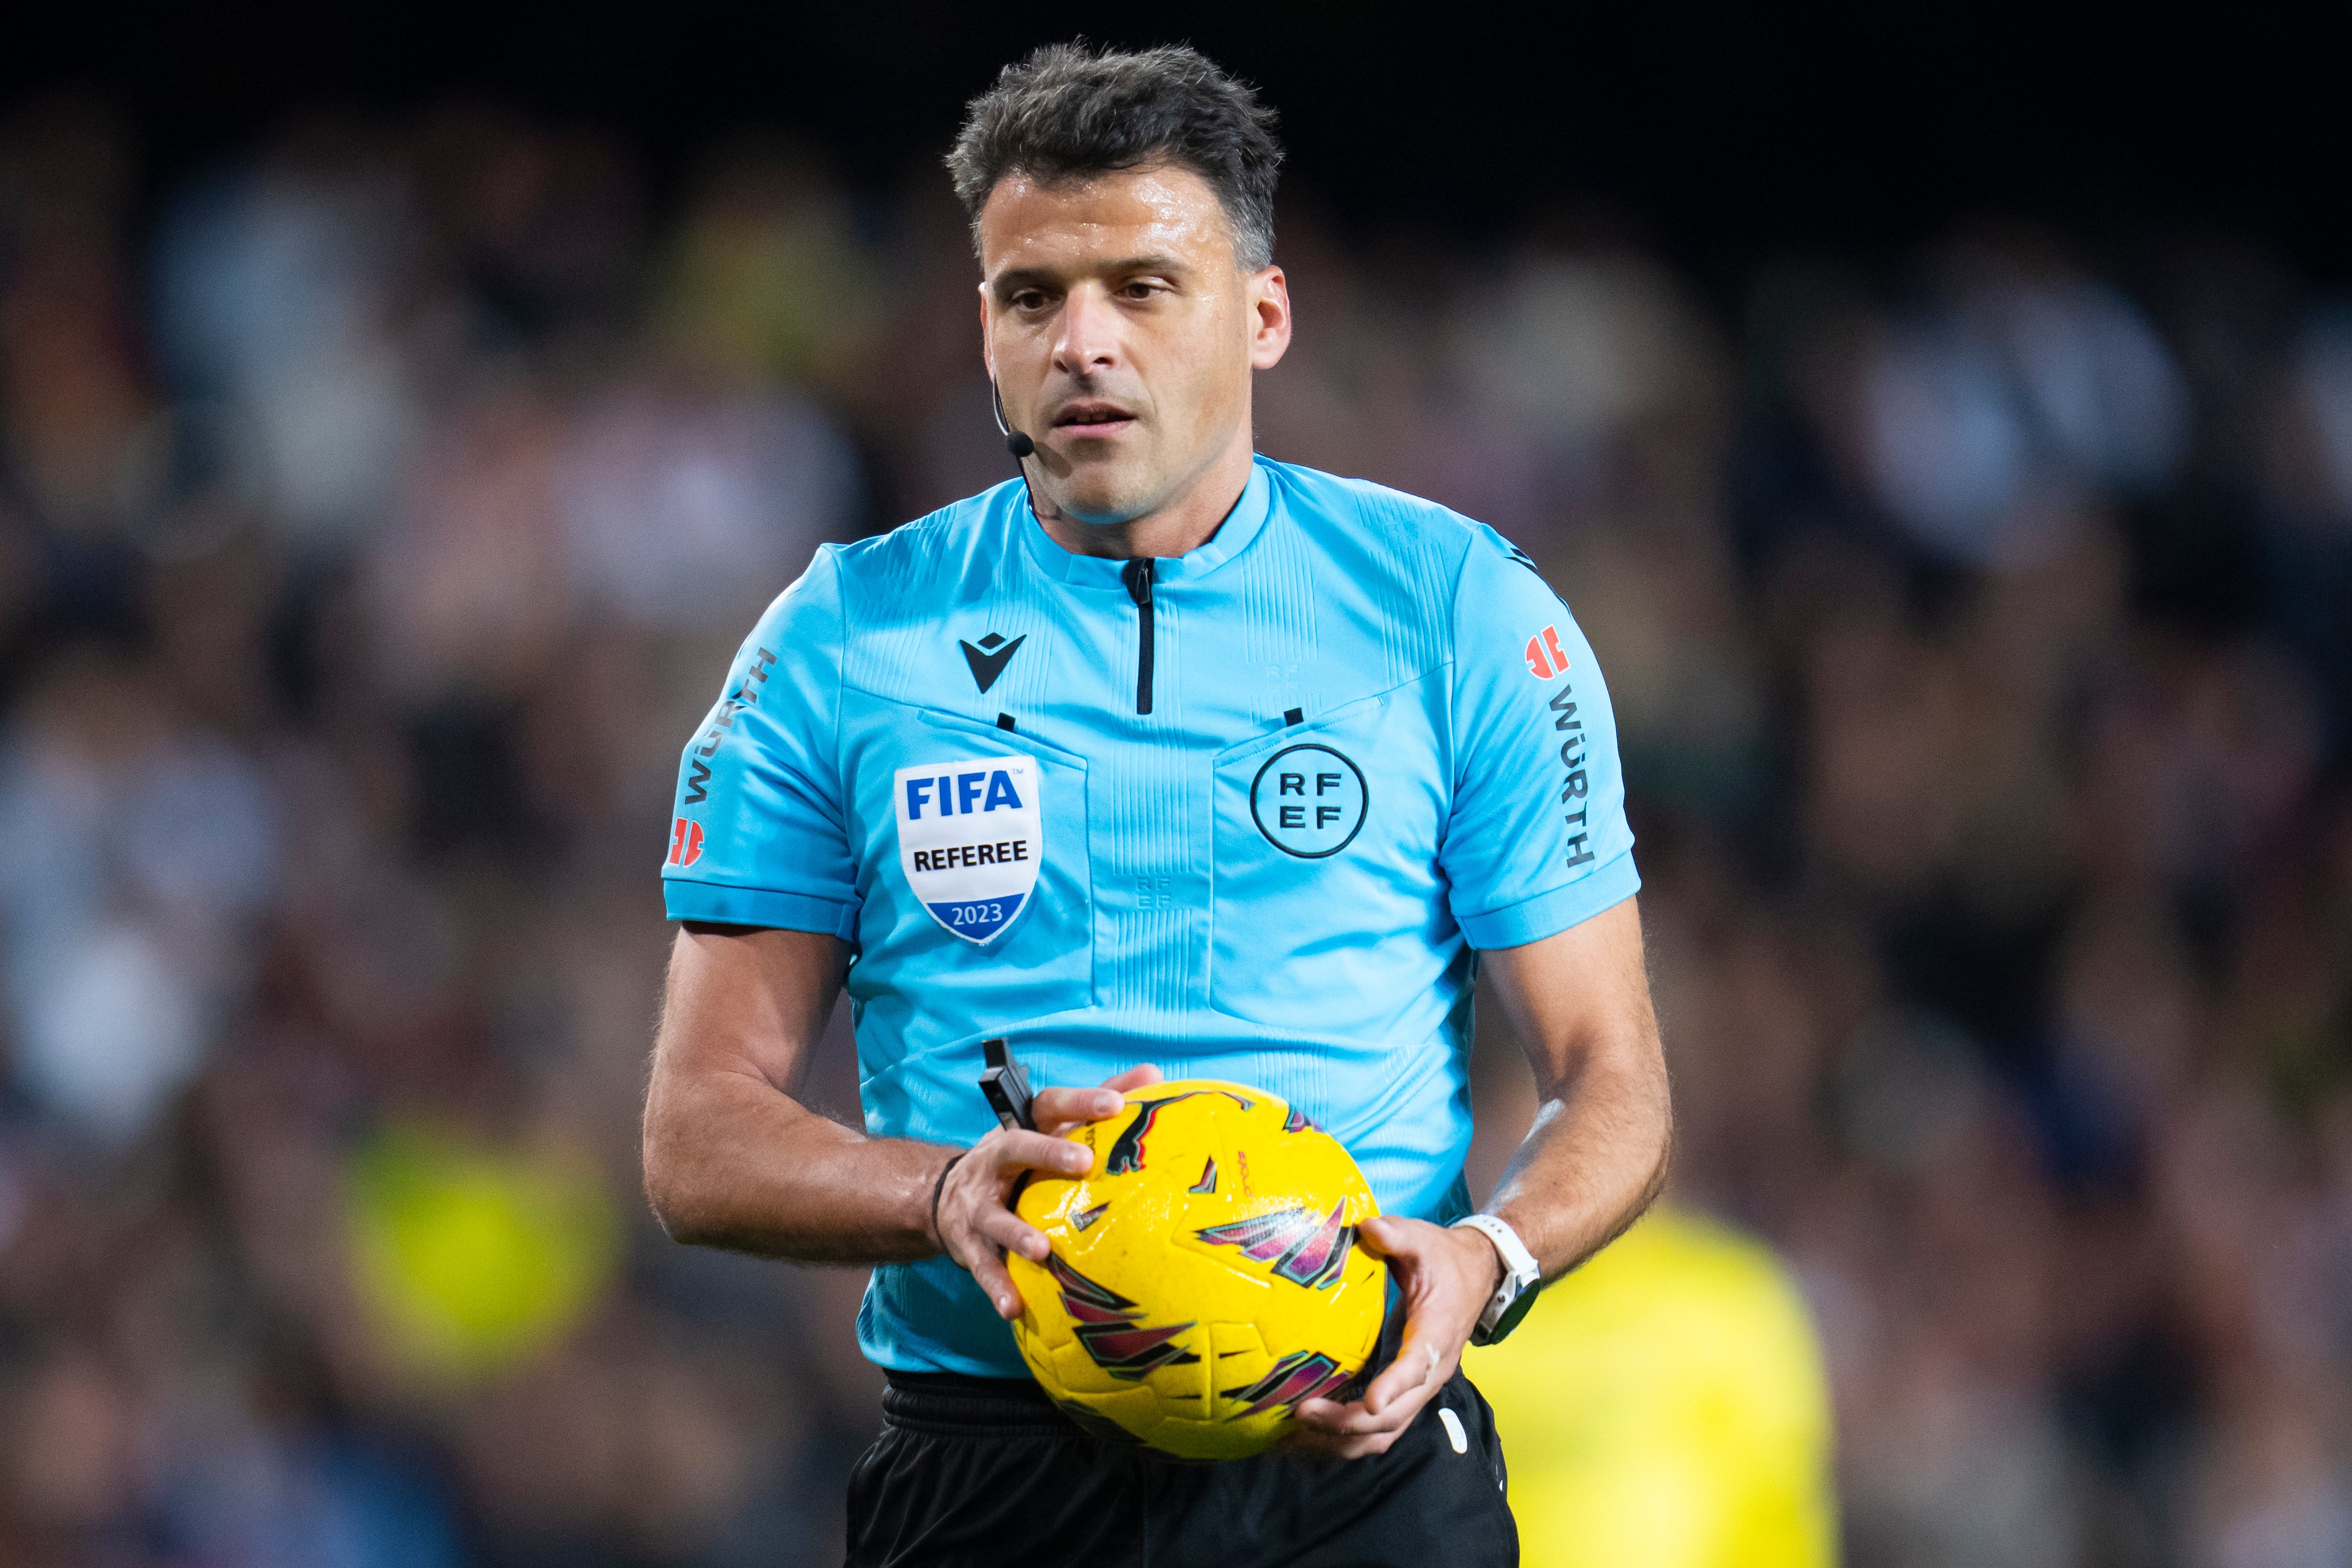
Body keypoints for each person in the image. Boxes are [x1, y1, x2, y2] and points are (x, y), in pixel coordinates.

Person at [641, 41, 1671, 1568]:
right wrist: (941, 1192)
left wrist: (1489, 1257)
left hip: (1361, 1465)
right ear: (982, 328)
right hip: (991, 1473)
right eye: (1031, 296)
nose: (1083, 343)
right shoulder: (844, 638)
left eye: (1142, 288)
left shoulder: (1458, 612)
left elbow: (1613, 1077)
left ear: (1263, 315)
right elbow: (695, 1136)